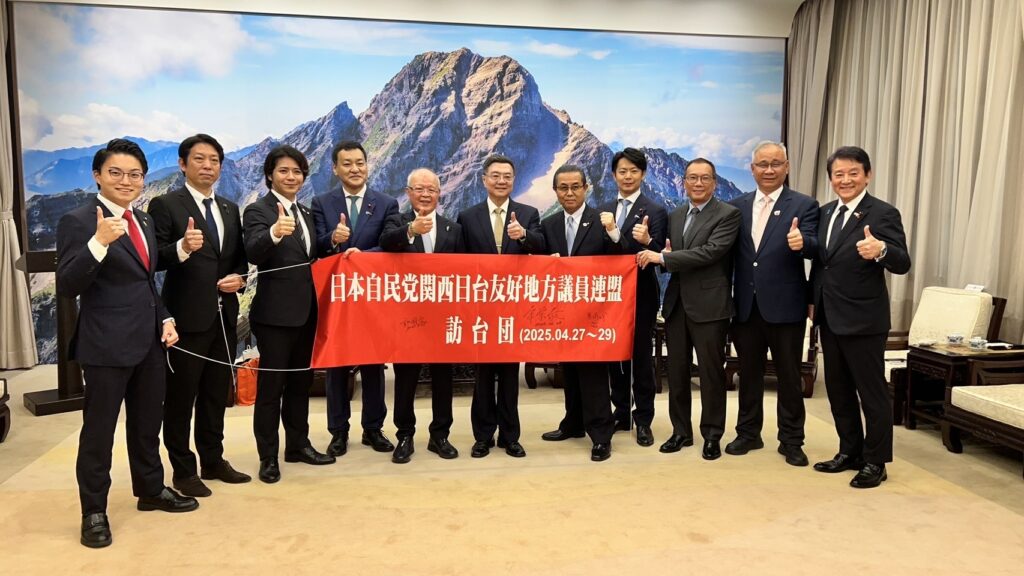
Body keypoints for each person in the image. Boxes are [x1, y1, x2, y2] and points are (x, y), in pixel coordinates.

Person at [57, 138, 197, 549]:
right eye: (116, 172)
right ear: (97, 176)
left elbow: (144, 279)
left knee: (147, 425)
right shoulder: (79, 221)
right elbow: (67, 284)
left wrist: (164, 316)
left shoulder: (144, 220)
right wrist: (98, 243)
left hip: (149, 341)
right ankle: (93, 511)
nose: (126, 180)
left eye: (135, 174)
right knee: (98, 433)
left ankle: (150, 490)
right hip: (105, 345)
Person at [148, 134, 251, 497]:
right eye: (199, 159)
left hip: (224, 318)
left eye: (214, 160)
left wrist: (240, 279)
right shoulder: (166, 205)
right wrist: (181, 247)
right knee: (181, 398)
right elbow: (153, 258)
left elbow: (239, 260)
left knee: (215, 394)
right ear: (182, 164)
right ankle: (182, 469)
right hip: (185, 319)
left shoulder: (229, 208)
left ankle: (213, 459)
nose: (208, 166)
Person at [809, 146, 910, 488]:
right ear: (831, 179)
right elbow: (822, 265)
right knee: (838, 390)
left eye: (853, 173)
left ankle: (876, 461)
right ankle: (849, 451)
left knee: (872, 393)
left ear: (867, 175)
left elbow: (902, 262)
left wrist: (881, 250)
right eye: (838, 174)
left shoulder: (883, 213)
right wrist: (812, 302)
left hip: (864, 319)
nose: (846, 180)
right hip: (829, 316)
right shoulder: (825, 213)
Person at [637, 158, 740, 460]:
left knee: (710, 374)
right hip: (677, 305)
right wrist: (656, 248)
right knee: (677, 373)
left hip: (710, 306)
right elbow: (672, 252)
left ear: (714, 183)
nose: (698, 183)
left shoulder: (728, 214)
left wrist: (663, 258)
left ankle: (712, 435)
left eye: (704, 178)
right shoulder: (676, 214)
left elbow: (710, 253)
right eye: (692, 178)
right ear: (683, 182)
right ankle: (680, 432)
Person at [724, 141, 819, 467]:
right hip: (746, 306)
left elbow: (816, 247)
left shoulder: (804, 205)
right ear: (752, 169)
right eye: (762, 164)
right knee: (748, 374)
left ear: (786, 167)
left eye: (775, 164)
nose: (769, 170)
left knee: (789, 377)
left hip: (786, 307)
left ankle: (791, 440)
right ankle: (748, 433)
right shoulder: (736, 206)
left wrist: (803, 242)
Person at [244, 145, 335, 484]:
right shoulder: (258, 210)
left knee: (300, 384)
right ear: (270, 175)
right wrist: (273, 233)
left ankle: (298, 445)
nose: (291, 177)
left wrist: (334, 241)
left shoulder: (305, 212)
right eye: (283, 171)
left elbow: (310, 254)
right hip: (274, 317)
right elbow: (253, 252)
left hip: (307, 313)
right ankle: (268, 456)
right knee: (271, 389)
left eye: (297, 172)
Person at [524, 165, 619, 462]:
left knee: (593, 375)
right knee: (571, 371)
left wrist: (614, 233)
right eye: (563, 188)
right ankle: (573, 423)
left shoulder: (602, 220)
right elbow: (538, 259)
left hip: (595, 314)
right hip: (564, 314)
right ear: (555, 191)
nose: (569, 193)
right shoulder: (549, 224)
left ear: (586, 188)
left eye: (575, 187)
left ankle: (601, 436)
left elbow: (621, 257)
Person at [311, 141, 399, 458]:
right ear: (335, 169)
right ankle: (339, 431)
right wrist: (331, 239)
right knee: (338, 366)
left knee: (374, 364)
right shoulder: (321, 203)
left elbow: (391, 243)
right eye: (347, 164)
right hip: (337, 299)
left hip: (372, 297)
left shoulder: (386, 203)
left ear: (367, 165)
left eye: (360, 162)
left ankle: (373, 428)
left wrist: (364, 256)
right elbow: (315, 246)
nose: (355, 169)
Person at [457, 154, 543, 458]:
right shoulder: (468, 216)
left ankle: (510, 436)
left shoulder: (528, 214)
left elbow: (541, 247)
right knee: (482, 376)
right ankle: (482, 437)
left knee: (509, 376)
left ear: (513, 180)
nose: (501, 181)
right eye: (495, 175)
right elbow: (459, 262)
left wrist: (524, 236)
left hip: (513, 309)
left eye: (507, 176)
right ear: (484, 180)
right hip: (481, 309)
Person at [378, 168, 464, 463]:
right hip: (407, 318)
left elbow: (465, 271)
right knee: (405, 378)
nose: (426, 194)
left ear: (439, 194)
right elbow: (386, 242)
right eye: (419, 189)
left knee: (443, 378)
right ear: (408, 192)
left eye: (432, 190)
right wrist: (412, 230)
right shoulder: (397, 221)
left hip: (442, 318)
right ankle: (405, 435)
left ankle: (440, 435)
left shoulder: (453, 228)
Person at [598, 148, 667, 447]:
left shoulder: (655, 210)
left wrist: (647, 241)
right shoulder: (603, 209)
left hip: (641, 295)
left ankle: (644, 419)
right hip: (611, 296)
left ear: (643, 174)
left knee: (640, 358)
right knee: (615, 356)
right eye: (622, 171)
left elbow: (660, 255)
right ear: (614, 175)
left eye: (634, 171)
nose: (628, 176)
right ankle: (621, 412)